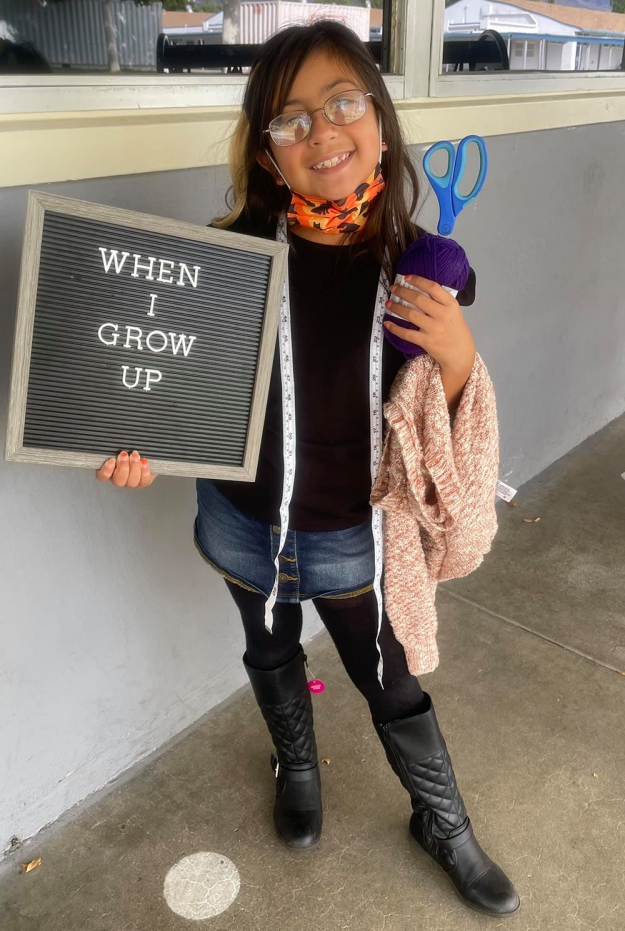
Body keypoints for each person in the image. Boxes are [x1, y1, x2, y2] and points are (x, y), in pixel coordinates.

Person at [96, 21, 520, 918]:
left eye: (342, 103)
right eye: (291, 120)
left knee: (390, 677)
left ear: (379, 115)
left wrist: (455, 356)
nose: (322, 133)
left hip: (353, 533)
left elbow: (444, 417)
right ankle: (297, 762)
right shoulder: (227, 256)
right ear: (267, 151)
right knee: (269, 642)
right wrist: (140, 445)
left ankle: (442, 821)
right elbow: (173, 379)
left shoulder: (417, 266)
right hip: (244, 516)